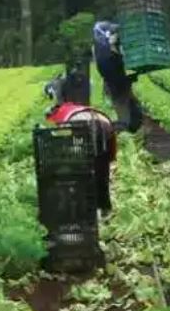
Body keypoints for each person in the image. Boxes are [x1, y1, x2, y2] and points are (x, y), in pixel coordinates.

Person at [43, 80, 116, 215]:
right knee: (102, 171)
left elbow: (64, 141)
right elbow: (111, 144)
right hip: (104, 121)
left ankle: (86, 208)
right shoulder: (71, 108)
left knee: (82, 171)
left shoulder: (61, 115)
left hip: (82, 125)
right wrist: (108, 157)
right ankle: (105, 209)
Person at [92, 21, 143, 133]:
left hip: (112, 78)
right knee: (122, 102)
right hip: (117, 77)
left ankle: (128, 123)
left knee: (122, 101)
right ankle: (125, 126)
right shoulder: (108, 42)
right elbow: (116, 49)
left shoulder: (97, 46)